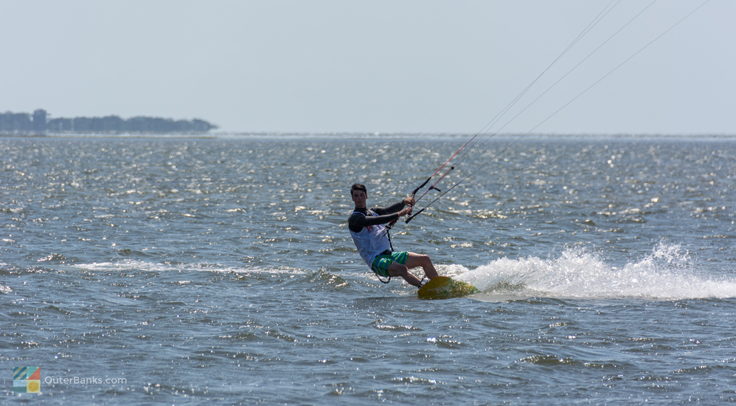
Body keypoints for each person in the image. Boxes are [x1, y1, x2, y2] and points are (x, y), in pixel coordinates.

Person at [348, 183, 439, 288]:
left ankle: (439, 286)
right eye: (356, 196)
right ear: (352, 198)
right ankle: (423, 288)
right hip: (376, 260)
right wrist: (399, 214)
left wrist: (404, 202)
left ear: (366, 196)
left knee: (425, 259)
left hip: (389, 255)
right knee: (402, 269)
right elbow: (376, 220)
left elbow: (388, 211)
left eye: (361, 195)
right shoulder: (354, 219)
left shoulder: (373, 211)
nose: (359, 198)